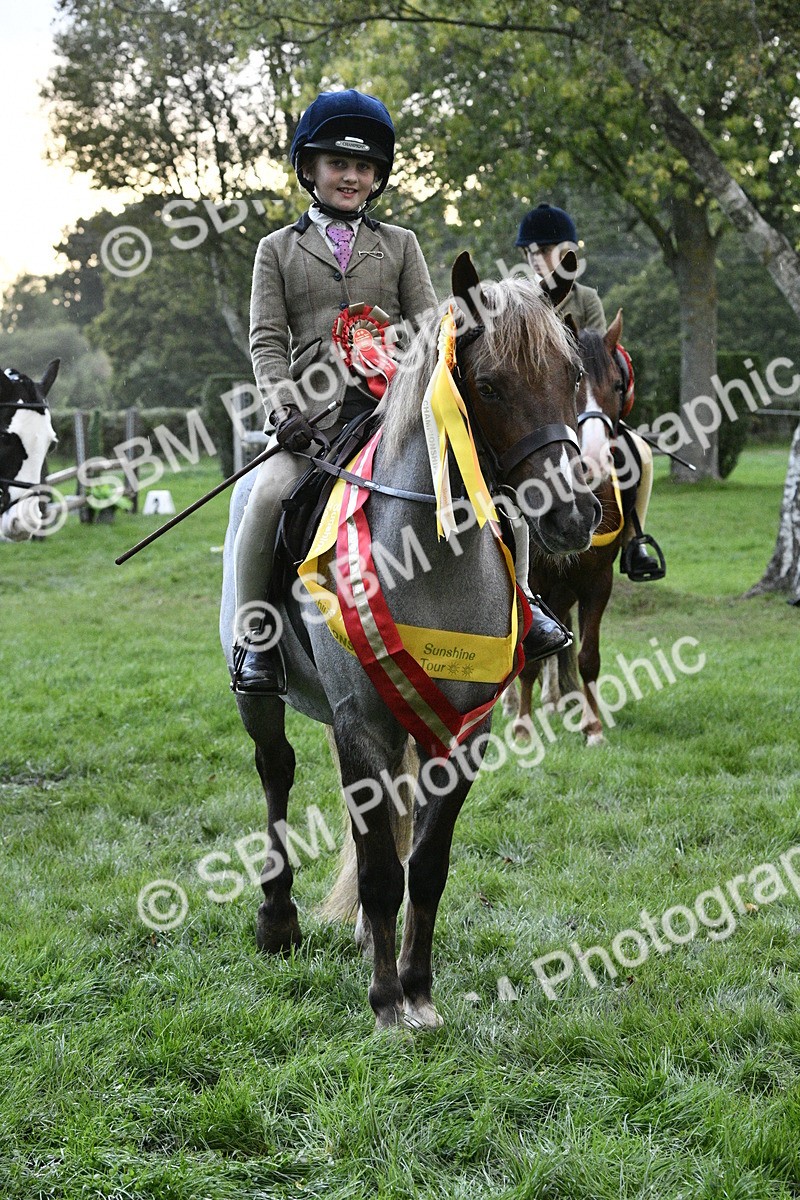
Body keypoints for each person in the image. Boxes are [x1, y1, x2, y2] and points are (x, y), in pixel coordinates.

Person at [233, 95, 569, 695]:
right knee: (266, 497)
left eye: (363, 168)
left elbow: (430, 324)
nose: (351, 176)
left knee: (496, 489)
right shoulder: (276, 250)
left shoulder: (401, 243)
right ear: (309, 169)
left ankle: (526, 603)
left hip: (395, 406)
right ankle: (253, 639)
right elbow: (266, 340)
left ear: (377, 178)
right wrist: (282, 410)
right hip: (313, 419)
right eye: (337, 163)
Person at [515, 203, 665, 581]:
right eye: (529, 252)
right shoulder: (522, 300)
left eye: (542, 251)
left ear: (566, 251)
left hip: (584, 404)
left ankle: (634, 538)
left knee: (640, 454)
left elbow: (599, 354)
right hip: (540, 409)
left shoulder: (586, 298)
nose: (535, 260)